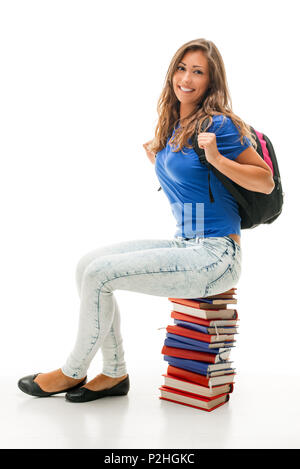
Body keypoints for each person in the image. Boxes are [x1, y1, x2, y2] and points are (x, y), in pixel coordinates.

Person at [18, 38, 274, 403]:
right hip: (187, 244)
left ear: (211, 81)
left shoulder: (219, 125)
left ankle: (72, 372)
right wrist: (158, 162)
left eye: (198, 72)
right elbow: (192, 195)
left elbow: (264, 181)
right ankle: (114, 372)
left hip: (217, 254)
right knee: (87, 265)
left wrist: (217, 157)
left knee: (99, 275)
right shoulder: (176, 126)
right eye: (181, 68)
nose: (186, 78)